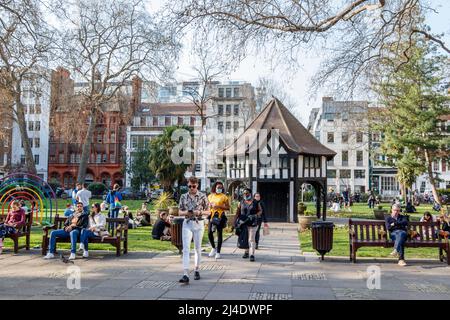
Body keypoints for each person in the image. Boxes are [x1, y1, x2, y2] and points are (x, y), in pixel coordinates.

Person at [178, 176, 210, 284]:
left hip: (198, 223)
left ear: (197, 185)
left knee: (197, 248)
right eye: (189, 186)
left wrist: (199, 212)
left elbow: (208, 211)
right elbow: (179, 212)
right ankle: (185, 273)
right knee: (186, 249)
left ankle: (197, 269)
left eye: (193, 186)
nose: (191, 188)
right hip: (187, 223)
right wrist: (187, 212)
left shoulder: (202, 196)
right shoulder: (183, 196)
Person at [233, 188, 262, 262]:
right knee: (245, 238)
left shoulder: (255, 202)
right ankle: (246, 252)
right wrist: (234, 222)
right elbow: (237, 213)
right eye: (244, 193)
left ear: (250, 193)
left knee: (251, 239)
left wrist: (255, 215)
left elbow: (260, 211)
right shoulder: (241, 202)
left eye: (247, 193)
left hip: (253, 222)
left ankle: (252, 254)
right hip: (243, 223)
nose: (245, 194)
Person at [207, 181, 229, 259]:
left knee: (219, 234)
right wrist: (209, 206)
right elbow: (207, 206)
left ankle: (218, 252)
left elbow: (228, 208)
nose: (219, 189)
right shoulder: (210, 196)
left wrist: (219, 206)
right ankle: (213, 248)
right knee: (209, 233)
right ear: (215, 187)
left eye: (220, 187)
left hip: (220, 216)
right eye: (218, 187)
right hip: (212, 216)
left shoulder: (224, 197)